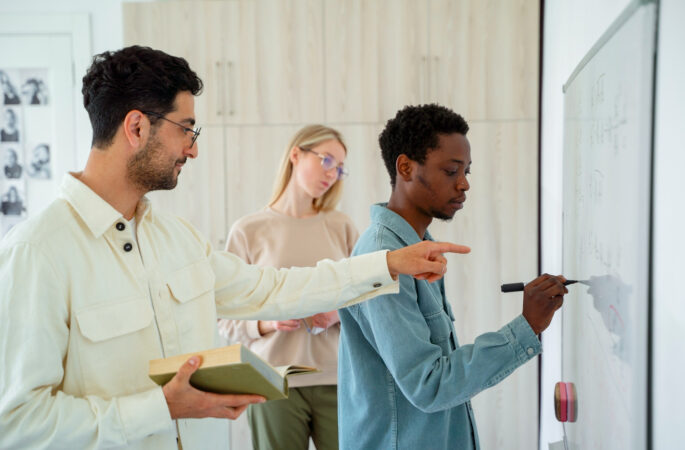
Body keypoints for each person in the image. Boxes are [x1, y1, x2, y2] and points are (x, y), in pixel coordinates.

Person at [0, 46, 469, 450]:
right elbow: (16, 423)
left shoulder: (175, 239)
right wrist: (158, 408)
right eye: (187, 128)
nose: (193, 148)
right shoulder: (38, 252)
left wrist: (387, 263)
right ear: (137, 127)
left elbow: (273, 288)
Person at [338, 104, 567, 450]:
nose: (464, 184)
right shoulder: (384, 260)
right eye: (451, 171)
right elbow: (428, 385)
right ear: (406, 167)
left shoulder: (417, 246)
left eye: (467, 172)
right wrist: (527, 326)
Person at [219, 125, 354, 450]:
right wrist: (268, 323)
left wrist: (335, 315)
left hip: (336, 380)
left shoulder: (342, 227)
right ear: (296, 154)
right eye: (326, 160)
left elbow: (369, 301)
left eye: (339, 168)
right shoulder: (248, 230)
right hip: (272, 382)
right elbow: (224, 318)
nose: (332, 173)